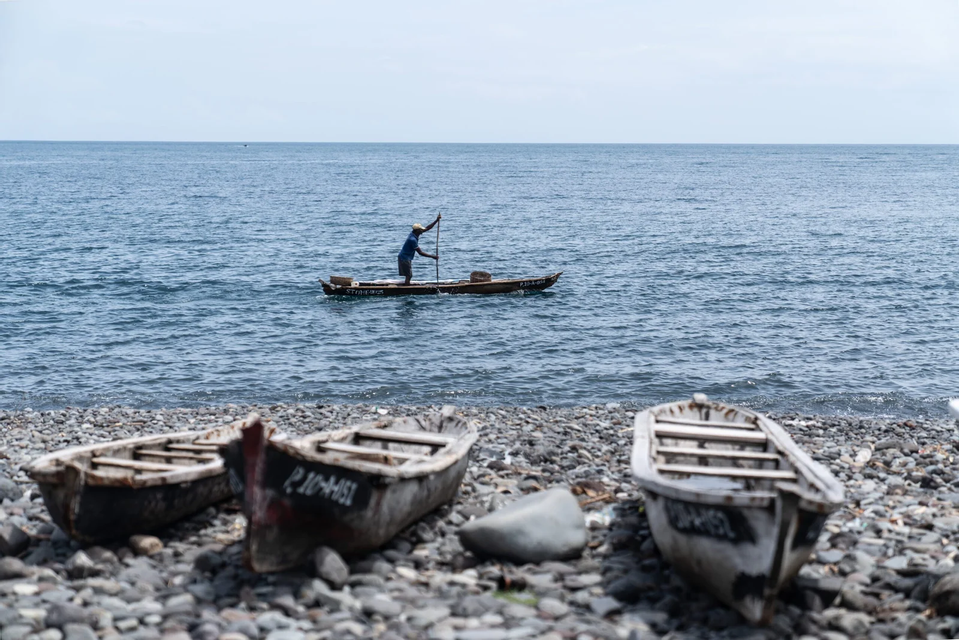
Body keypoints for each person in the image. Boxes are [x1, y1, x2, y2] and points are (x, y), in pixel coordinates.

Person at [397, 214, 441, 285]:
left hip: (407, 257)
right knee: (409, 275)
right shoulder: (412, 239)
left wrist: (436, 220)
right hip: (404, 257)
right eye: (421, 230)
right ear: (417, 231)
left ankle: (407, 286)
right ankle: (406, 288)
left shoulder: (414, 233)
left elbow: (427, 228)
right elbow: (420, 252)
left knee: (409, 275)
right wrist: (433, 256)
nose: (422, 231)